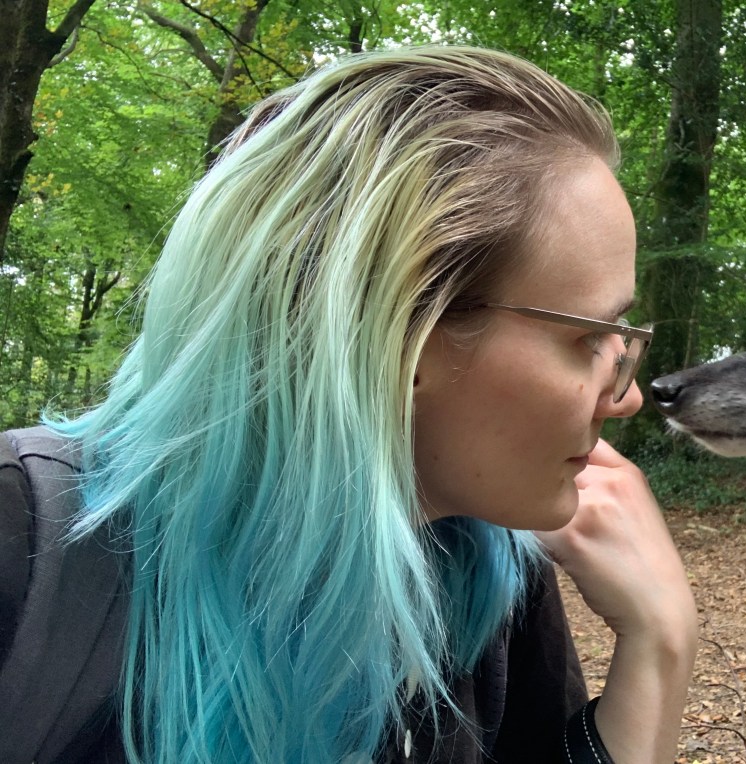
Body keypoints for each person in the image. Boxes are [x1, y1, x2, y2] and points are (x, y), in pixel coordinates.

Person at [1, 46, 697, 763]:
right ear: (402, 334)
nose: (630, 397)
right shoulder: (25, 544)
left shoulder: (491, 578)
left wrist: (660, 646)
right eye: (589, 339)